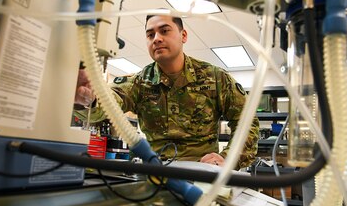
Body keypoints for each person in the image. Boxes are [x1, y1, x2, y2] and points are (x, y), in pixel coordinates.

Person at [74, 14, 259, 169]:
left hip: (203, 173)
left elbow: (247, 121)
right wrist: (88, 98)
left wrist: (228, 158)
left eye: (164, 31)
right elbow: (109, 101)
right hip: (155, 174)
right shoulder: (139, 82)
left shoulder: (216, 78)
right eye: (150, 34)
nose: (156, 38)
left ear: (183, 35)